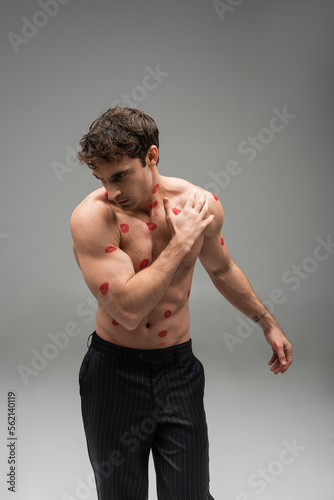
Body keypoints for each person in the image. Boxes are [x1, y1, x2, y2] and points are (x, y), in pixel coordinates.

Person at [70, 107, 293, 500]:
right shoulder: (93, 218)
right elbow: (127, 310)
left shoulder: (198, 205)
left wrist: (267, 322)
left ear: (151, 156)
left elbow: (222, 269)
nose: (112, 191)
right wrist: (180, 242)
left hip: (178, 371)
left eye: (120, 175)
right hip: (113, 375)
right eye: (102, 179)